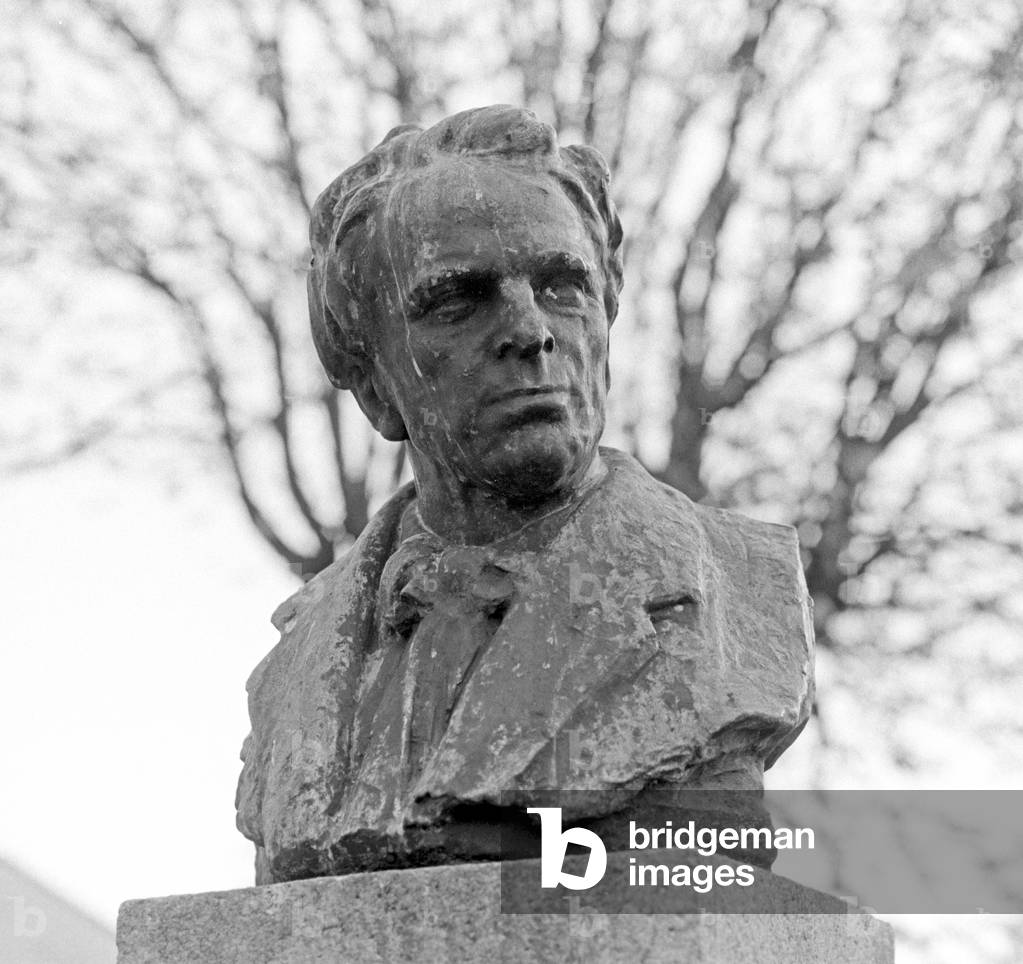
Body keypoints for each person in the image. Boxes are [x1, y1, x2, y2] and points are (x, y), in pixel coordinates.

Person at [236, 105, 813, 885]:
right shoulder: (296, 670)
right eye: (457, 300)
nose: (529, 330)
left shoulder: (740, 595)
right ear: (373, 380)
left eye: (561, 285)